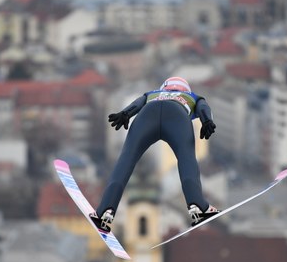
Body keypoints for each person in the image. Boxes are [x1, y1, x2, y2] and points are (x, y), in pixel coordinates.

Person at [90, 77, 219, 232]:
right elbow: (204, 107)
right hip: (177, 116)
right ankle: (198, 207)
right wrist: (207, 121)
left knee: (126, 160)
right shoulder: (192, 97)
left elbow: (137, 103)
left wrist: (125, 114)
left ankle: (104, 212)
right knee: (187, 160)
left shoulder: (153, 94)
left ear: (164, 88)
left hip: (146, 116)